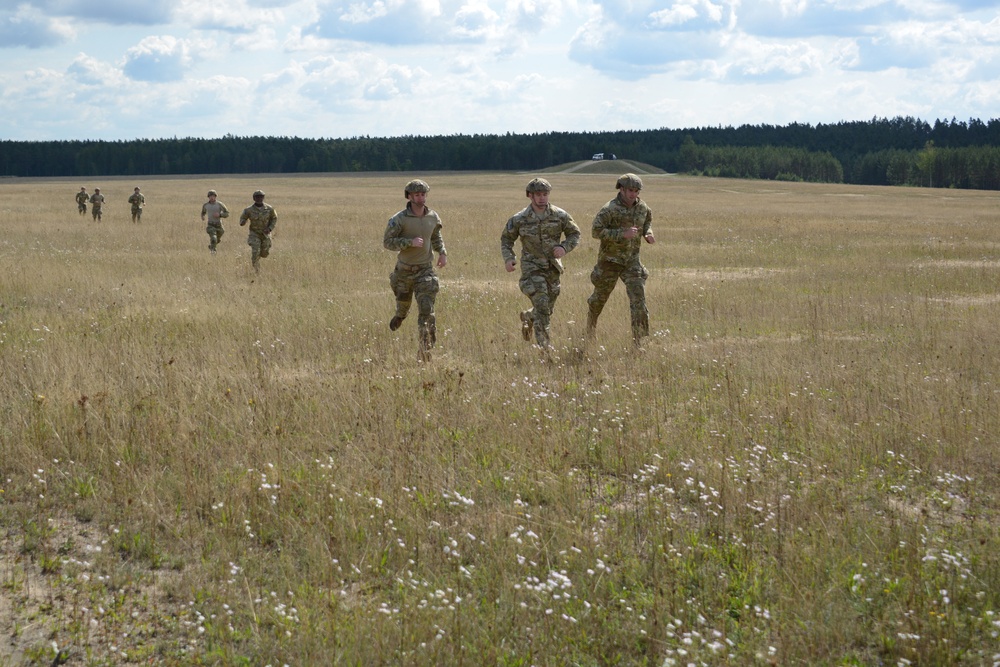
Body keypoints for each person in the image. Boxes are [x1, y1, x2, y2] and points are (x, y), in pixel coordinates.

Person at [500, 177, 581, 349]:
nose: (542, 198)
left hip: (552, 268)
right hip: (531, 268)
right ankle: (545, 348)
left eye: (545, 194)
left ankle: (529, 316)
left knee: (547, 308)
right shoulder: (520, 218)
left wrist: (564, 248)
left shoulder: (559, 215)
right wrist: (509, 258)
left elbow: (575, 234)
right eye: (538, 194)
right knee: (543, 303)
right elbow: (506, 239)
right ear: (530, 195)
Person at [586, 173, 655, 344]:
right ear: (621, 189)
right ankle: (590, 328)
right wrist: (621, 234)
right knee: (599, 299)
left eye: (637, 191)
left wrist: (648, 233)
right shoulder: (609, 209)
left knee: (639, 301)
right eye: (630, 190)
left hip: (632, 261)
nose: (633, 194)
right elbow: (596, 231)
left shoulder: (643, 208)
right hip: (610, 261)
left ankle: (638, 342)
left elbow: (647, 223)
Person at [383, 179, 447, 361]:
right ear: (409, 197)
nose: (421, 198)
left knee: (427, 311)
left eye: (423, 194)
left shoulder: (433, 217)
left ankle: (425, 352)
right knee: (403, 305)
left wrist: (442, 252)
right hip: (404, 272)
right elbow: (387, 242)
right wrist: (408, 242)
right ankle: (400, 315)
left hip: (425, 271)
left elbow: (436, 236)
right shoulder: (399, 219)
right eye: (417, 195)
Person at [238, 190, 277, 272]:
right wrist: (243, 222)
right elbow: (243, 218)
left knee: (264, 253)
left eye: (261, 197)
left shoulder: (269, 209)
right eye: (257, 197)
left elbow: (274, 218)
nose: (259, 199)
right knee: (255, 252)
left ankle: (260, 256)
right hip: (254, 233)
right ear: (254, 198)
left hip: (265, 233)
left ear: (263, 198)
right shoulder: (248, 210)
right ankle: (257, 270)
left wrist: (270, 228)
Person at [201, 190, 230, 254]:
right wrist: (203, 216)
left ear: (215, 197)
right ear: (208, 197)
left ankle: (211, 246)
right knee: (214, 238)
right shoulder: (206, 205)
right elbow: (203, 212)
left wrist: (220, 215)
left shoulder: (220, 204)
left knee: (217, 240)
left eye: (213, 196)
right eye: (210, 196)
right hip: (210, 225)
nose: (212, 198)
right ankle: (213, 253)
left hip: (219, 225)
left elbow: (227, 213)